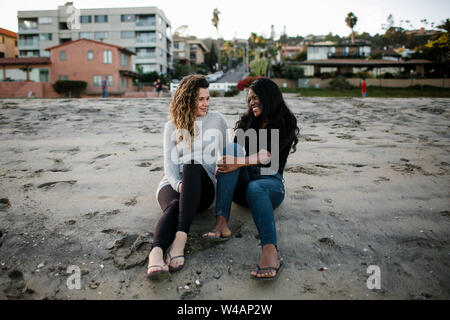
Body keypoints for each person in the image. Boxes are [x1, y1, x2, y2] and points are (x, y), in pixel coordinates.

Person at [203, 78, 299, 280]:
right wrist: (224, 165)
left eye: (255, 98)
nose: (251, 102)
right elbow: (234, 154)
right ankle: (222, 221)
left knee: (256, 187)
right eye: (249, 100)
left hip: (270, 184)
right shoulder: (247, 122)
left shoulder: (285, 124)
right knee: (232, 149)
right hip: (243, 186)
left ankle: (270, 250)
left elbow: (267, 155)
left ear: (269, 96)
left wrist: (238, 163)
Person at [146, 74, 228, 280]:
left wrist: (222, 166)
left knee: (191, 164)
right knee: (174, 205)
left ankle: (180, 239)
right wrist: (181, 186)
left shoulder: (217, 120)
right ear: (187, 98)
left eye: (208, 98)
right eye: (200, 99)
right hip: (174, 183)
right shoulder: (172, 126)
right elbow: (170, 168)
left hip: (204, 185)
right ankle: (156, 253)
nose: (206, 103)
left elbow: (226, 154)